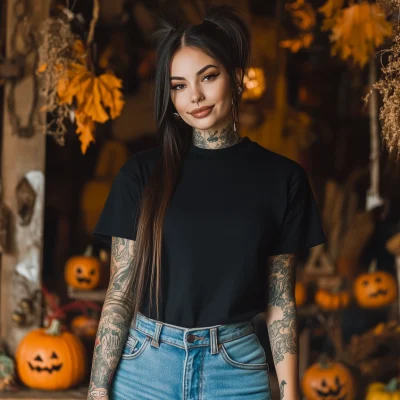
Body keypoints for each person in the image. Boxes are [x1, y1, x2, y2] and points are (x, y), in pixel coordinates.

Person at [88, 5, 326, 400]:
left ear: (235, 77)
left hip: (235, 370)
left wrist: (290, 394)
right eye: (179, 85)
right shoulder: (141, 175)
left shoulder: (283, 178)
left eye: (208, 77)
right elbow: (120, 292)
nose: (194, 96)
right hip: (145, 366)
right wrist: (97, 390)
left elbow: (280, 299)